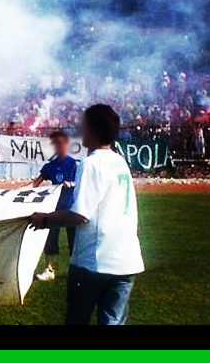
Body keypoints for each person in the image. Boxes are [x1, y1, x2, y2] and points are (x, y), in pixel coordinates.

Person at [29, 104, 144, 325]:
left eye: (83, 125)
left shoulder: (91, 163)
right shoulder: (120, 162)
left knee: (77, 319)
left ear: (94, 131)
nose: (79, 130)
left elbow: (80, 215)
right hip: (126, 260)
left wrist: (44, 220)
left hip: (96, 261)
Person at [31, 130, 79, 281]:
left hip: (71, 208)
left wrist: (70, 184)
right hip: (54, 209)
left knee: (74, 240)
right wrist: (30, 190)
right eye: (56, 144)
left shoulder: (74, 164)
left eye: (61, 143)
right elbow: (36, 182)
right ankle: (49, 269)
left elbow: (82, 182)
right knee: (51, 239)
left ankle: (74, 269)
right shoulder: (50, 166)